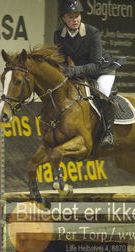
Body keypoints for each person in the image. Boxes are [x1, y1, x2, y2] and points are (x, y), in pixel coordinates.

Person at [54, 0, 122, 150]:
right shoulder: (59, 35)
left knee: (103, 92)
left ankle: (109, 134)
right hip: (82, 70)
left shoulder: (92, 32)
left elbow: (96, 64)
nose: (75, 20)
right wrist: (64, 70)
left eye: (77, 16)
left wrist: (73, 71)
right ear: (63, 19)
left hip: (103, 70)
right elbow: (62, 59)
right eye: (70, 17)